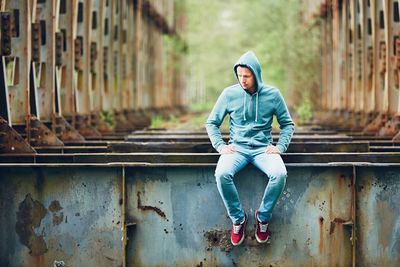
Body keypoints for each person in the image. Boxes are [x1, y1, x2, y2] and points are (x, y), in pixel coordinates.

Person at [206, 51, 295, 246]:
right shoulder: (229, 94)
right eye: (239, 76)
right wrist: (220, 146)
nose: (242, 80)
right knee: (222, 173)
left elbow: (288, 124)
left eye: (246, 76)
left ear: (256, 74)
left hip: (263, 149)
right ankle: (238, 219)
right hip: (236, 149)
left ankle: (263, 217)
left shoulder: (272, 95)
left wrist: (280, 146)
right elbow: (211, 123)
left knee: (279, 173)